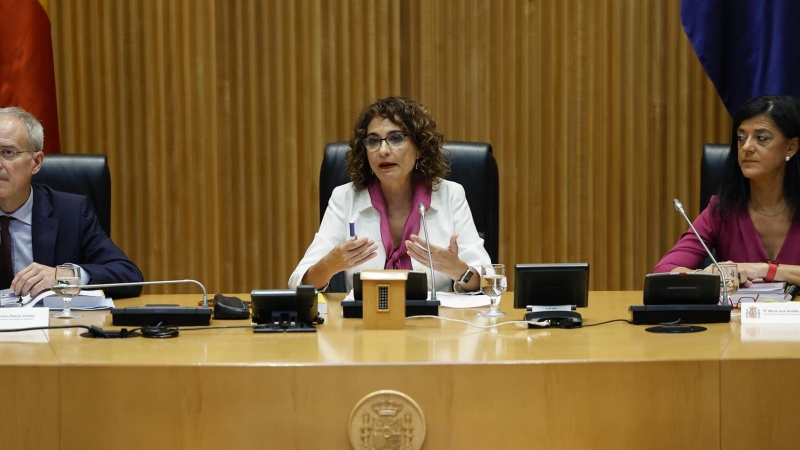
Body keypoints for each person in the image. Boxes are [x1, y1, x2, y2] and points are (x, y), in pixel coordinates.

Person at [289, 96, 491, 292]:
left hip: (434, 322)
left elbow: (487, 280)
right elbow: (299, 284)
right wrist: (330, 265)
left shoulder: (450, 195)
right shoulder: (345, 198)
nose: (383, 150)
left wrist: (457, 269)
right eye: (373, 141)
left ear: (419, 147)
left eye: (396, 138)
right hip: (364, 322)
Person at [653, 95, 800, 286]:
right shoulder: (723, 210)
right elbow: (663, 271)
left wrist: (764, 269)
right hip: (739, 316)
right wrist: (706, 275)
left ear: (791, 147)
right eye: (741, 137)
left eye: (761, 138)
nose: (746, 147)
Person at [0, 106, 143, 298]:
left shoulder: (71, 212)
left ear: (36, 162)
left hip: (56, 324)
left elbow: (129, 275)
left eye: (8, 152)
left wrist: (66, 276)